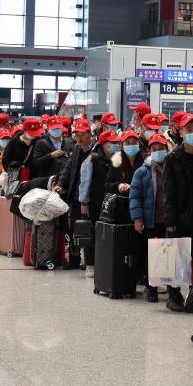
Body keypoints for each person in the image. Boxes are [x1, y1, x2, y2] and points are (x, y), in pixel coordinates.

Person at [164, 113, 193, 312]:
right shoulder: (173, 157)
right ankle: (174, 296)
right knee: (177, 257)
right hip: (181, 214)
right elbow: (169, 191)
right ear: (181, 132)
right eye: (188, 129)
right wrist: (170, 220)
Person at [130, 133, 169, 301]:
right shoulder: (142, 172)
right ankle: (151, 288)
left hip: (168, 220)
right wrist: (138, 219)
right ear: (149, 151)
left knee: (168, 254)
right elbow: (135, 197)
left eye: (161, 148)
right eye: (154, 149)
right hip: (151, 220)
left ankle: (169, 287)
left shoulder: (171, 169)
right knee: (151, 255)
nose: (158, 151)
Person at [54, 119, 96, 269]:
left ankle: (89, 261)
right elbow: (68, 167)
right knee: (73, 228)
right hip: (75, 195)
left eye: (83, 135)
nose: (79, 138)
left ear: (90, 134)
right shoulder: (76, 148)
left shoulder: (96, 150)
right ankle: (74, 258)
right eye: (77, 135)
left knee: (88, 229)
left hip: (90, 197)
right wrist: (60, 184)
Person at [77, 130, 119, 277]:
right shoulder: (92, 159)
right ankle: (90, 264)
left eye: (116, 143)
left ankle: (106, 263)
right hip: (94, 202)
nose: (114, 146)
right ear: (103, 144)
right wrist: (84, 202)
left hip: (111, 203)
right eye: (111, 143)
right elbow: (84, 182)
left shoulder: (117, 159)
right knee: (91, 233)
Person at [105, 129, 146, 224]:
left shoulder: (146, 161)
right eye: (127, 143)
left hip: (141, 208)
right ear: (122, 146)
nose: (131, 145)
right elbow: (107, 185)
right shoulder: (116, 162)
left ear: (139, 144)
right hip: (120, 210)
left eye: (134, 142)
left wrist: (134, 187)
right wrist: (118, 186)